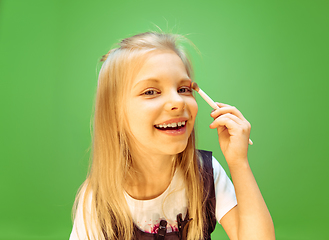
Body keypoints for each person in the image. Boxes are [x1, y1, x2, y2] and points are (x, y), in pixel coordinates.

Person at [69, 32, 275, 240]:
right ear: (115, 114)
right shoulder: (97, 200)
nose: (178, 102)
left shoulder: (205, 172)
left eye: (183, 89)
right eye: (151, 92)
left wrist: (239, 162)